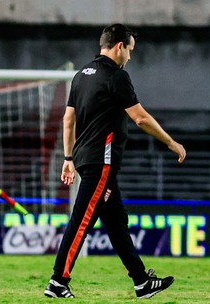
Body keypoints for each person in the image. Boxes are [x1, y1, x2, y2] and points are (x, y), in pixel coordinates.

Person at [44, 23, 186, 299]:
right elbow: (141, 118)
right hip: (101, 161)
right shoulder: (116, 77)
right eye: (130, 50)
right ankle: (58, 281)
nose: (130, 57)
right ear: (119, 46)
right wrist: (171, 142)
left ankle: (142, 281)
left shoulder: (81, 75)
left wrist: (68, 157)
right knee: (81, 220)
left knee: (117, 222)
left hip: (85, 157)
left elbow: (68, 119)